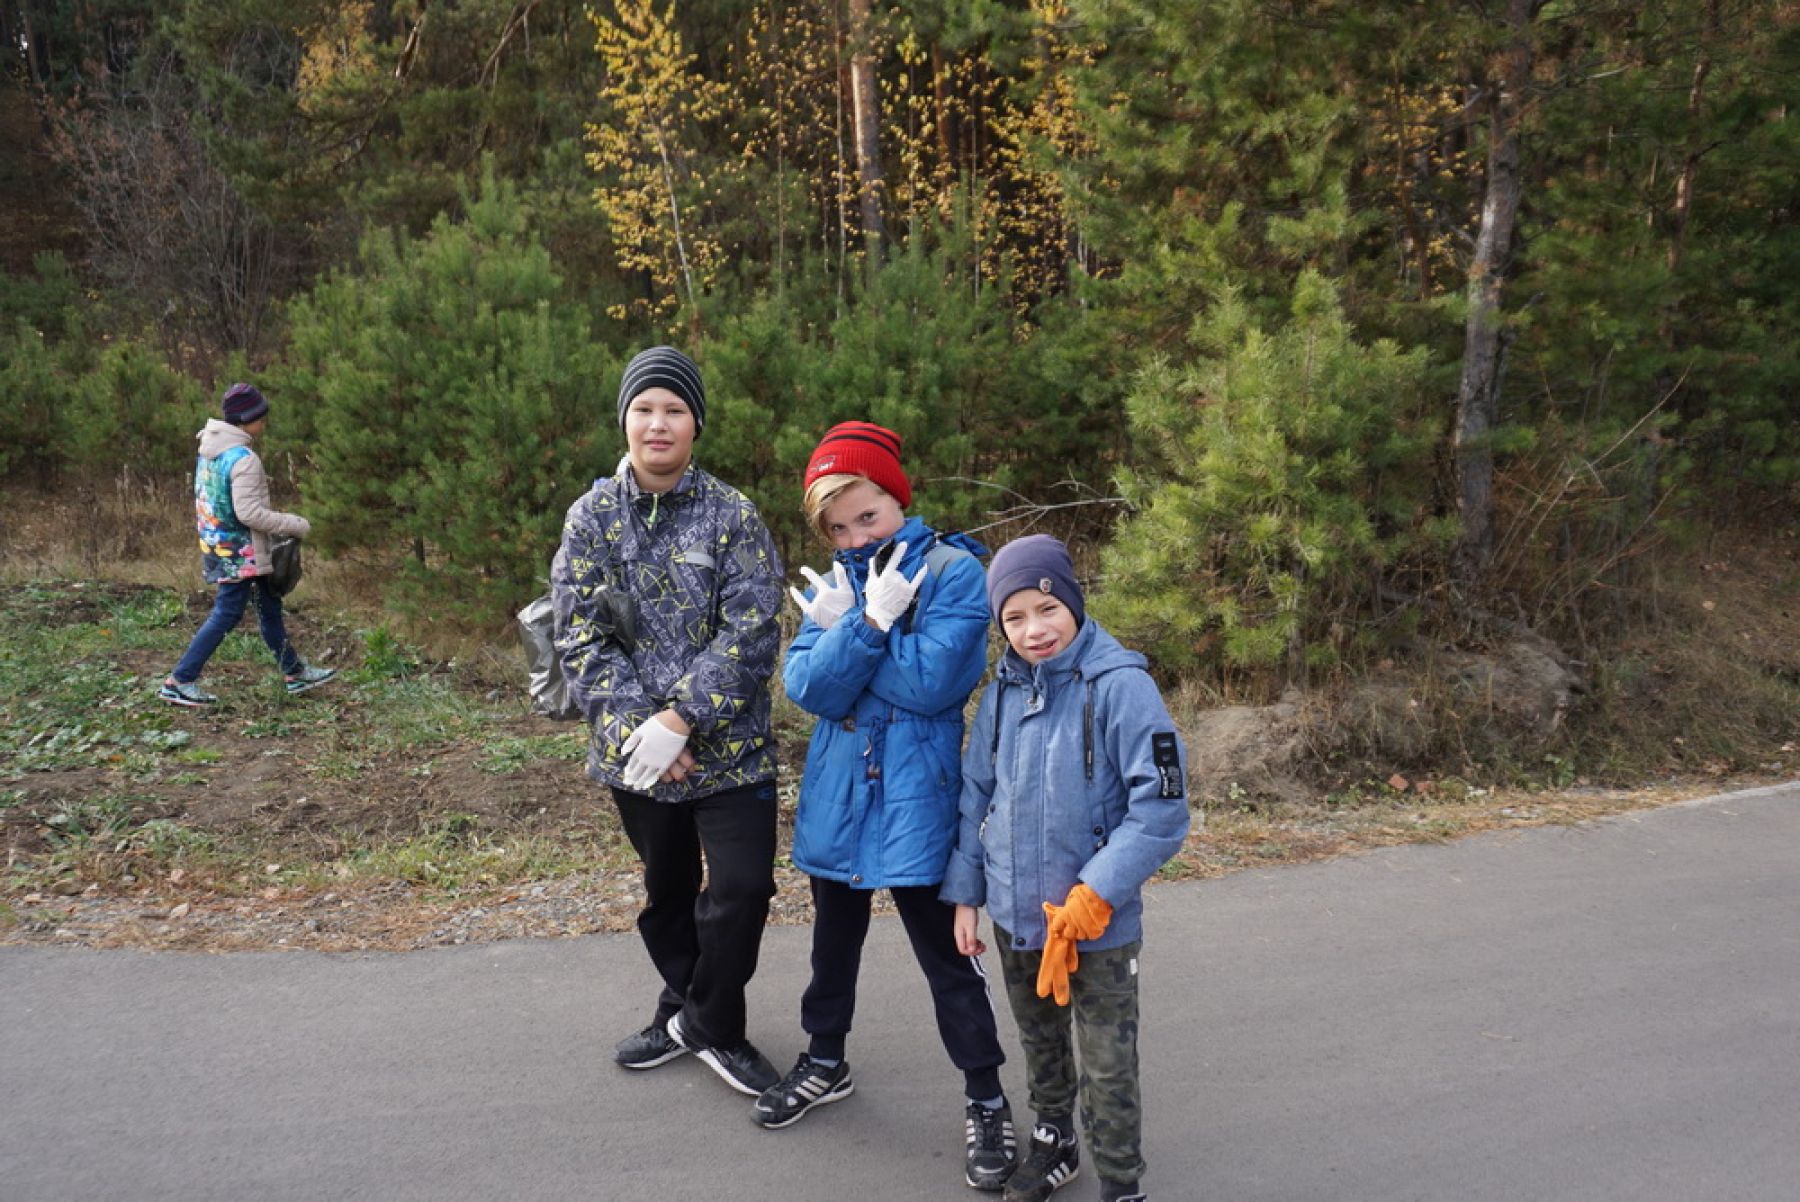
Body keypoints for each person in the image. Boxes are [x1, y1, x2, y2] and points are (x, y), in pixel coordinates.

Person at [757, 421, 1017, 1190]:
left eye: (866, 515)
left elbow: (936, 686)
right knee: (831, 947)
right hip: (840, 796)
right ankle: (825, 1060)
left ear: (895, 498)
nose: (854, 533)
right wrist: (868, 622)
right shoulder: (839, 584)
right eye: (837, 525)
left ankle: (985, 1096)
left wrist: (853, 646)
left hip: (917, 798)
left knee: (947, 961)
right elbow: (802, 688)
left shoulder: (955, 572)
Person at [551, 346, 785, 1097]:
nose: (658, 423)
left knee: (744, 891)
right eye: (645, 408)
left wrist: (682, 718)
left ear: (695, 425)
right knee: (669, 893)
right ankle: (699, 1012)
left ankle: (700, 1024)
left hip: (730, 746)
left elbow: (753, 628)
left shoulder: (733, 514)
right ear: (625, 419)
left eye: (674, 410)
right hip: (639, 757)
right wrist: (637, 729)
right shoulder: (590, 518)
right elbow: (578, 634)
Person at [942, 535, 1191, 1202]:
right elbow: (975, 796)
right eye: (1014, 618)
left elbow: (1162, 811)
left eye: (1045, 610)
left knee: (1109, 1065)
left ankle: (1121, 1184)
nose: (1033, 630)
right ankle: (1054, 1141)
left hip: (1095, 927)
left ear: (1072, 603)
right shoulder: (998, 695)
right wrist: (966, 895)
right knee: (1038, 1039)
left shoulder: (1122, 686)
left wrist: (1097, 891)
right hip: (1017, 917)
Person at [159, 383, 335, 706]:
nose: (264, 422)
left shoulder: (209, 451)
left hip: (219, 547)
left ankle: (293, 672)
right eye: (261, 416)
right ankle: (180, 679)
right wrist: (294, 524)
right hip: (241, 554)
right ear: (246, 418)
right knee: (227, 612)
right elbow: (249, 513)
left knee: (269, 606)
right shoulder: (244, 459)